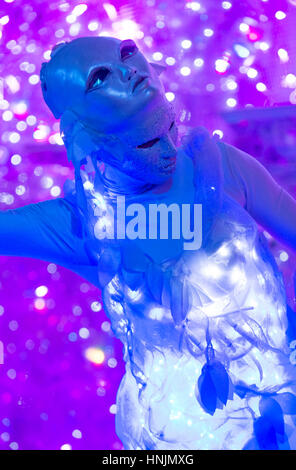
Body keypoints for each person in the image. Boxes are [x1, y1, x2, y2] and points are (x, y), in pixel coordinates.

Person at [1, 36, 296, 450]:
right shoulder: (81, 225)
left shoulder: (222, 167)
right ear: (79, 133)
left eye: (127, 53)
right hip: (181, 435)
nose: (128, 70)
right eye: (99, 77)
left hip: (280, 404)